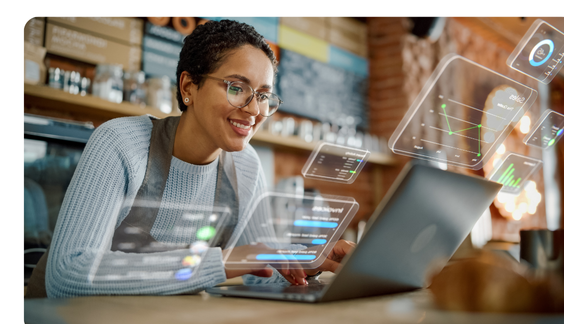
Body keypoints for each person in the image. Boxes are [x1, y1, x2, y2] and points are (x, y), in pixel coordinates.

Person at [26, 19, 355, 299]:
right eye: (237, 88)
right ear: (189, 87)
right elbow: (67, 276)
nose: (255, 110)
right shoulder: (120, 143)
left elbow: (255, 269)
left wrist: (306, 262)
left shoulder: (246, 166)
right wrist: (220, 262)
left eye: (264, 96)